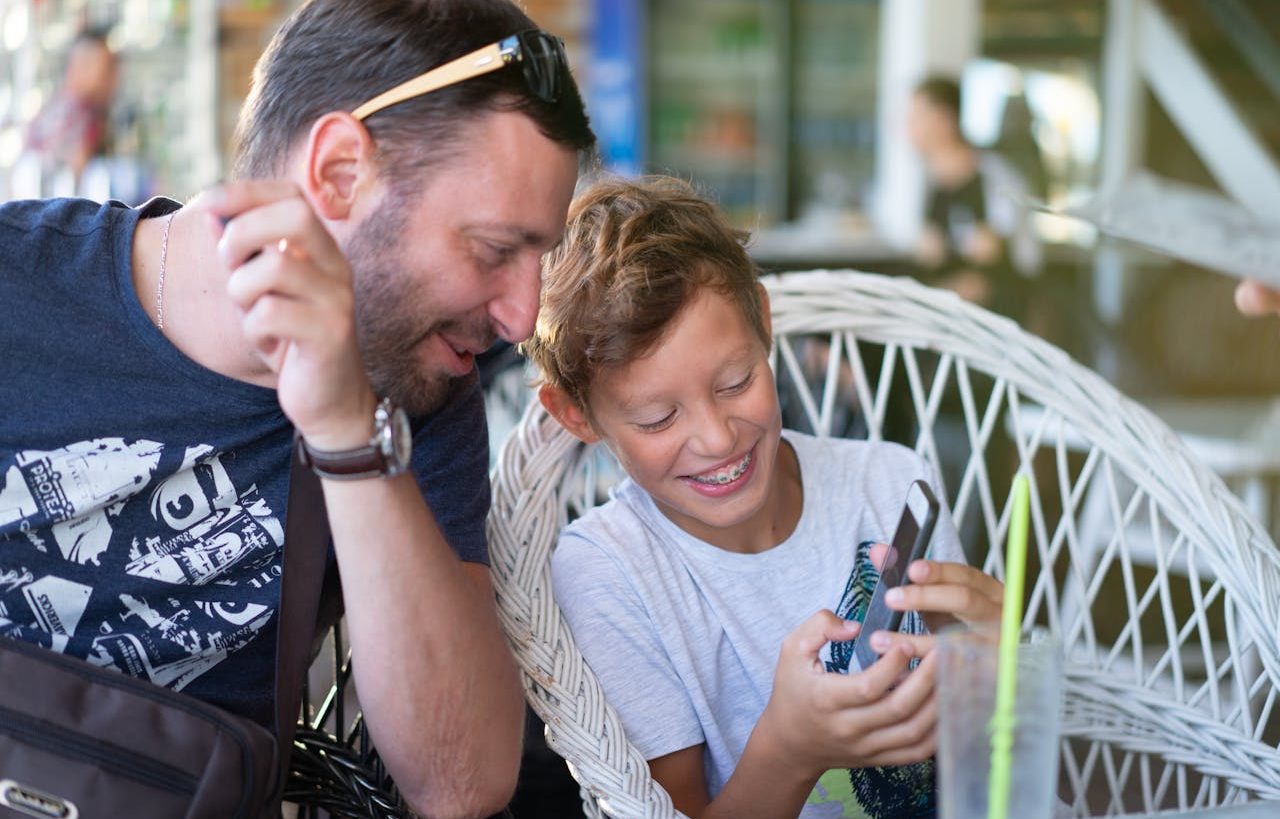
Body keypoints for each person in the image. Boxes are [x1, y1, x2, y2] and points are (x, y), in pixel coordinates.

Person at [0, 1, 594, 816]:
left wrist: (349, 429)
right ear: (341, 173)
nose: (522, 317)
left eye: (540, 258)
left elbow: (463, 783)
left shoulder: (418, 396)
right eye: (496, 250)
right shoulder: (18, 283)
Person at [524, 176, 1003, 818]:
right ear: (576, 416)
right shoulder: (608, 572)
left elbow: (983, 762)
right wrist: (789, 750)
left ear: (764, 320)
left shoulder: (890, 482)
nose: (718, 437)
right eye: (658, 419)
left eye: (736, 381)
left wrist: (996, 667)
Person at [907, 75, 1041, 322]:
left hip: (990, 328)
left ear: (943, 119)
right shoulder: (925, 181)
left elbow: (1015, 259)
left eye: (916, 117)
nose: (908, 127)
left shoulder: (997, 178)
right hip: (939, 320)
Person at [23, 28, 119, 186]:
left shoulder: (59, 108)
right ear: (81, 65)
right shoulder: (78, 115)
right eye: (108, 67)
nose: (114, 78)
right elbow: (77, 179)